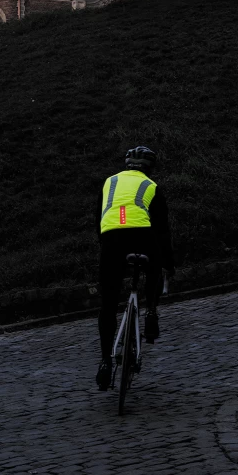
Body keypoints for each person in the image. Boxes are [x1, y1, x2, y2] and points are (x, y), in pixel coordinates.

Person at [95, 146, 175, 390]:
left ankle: (105, 361)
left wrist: (107, 248)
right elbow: (162, 231)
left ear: (127, 164)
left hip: (111, 239)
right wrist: (168, 264)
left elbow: (98, 220)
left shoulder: (109, 182)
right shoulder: (151, 187)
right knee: (154, 263)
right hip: (142, 236)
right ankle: (151, 312)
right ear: (150, 168)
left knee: (107, 304)